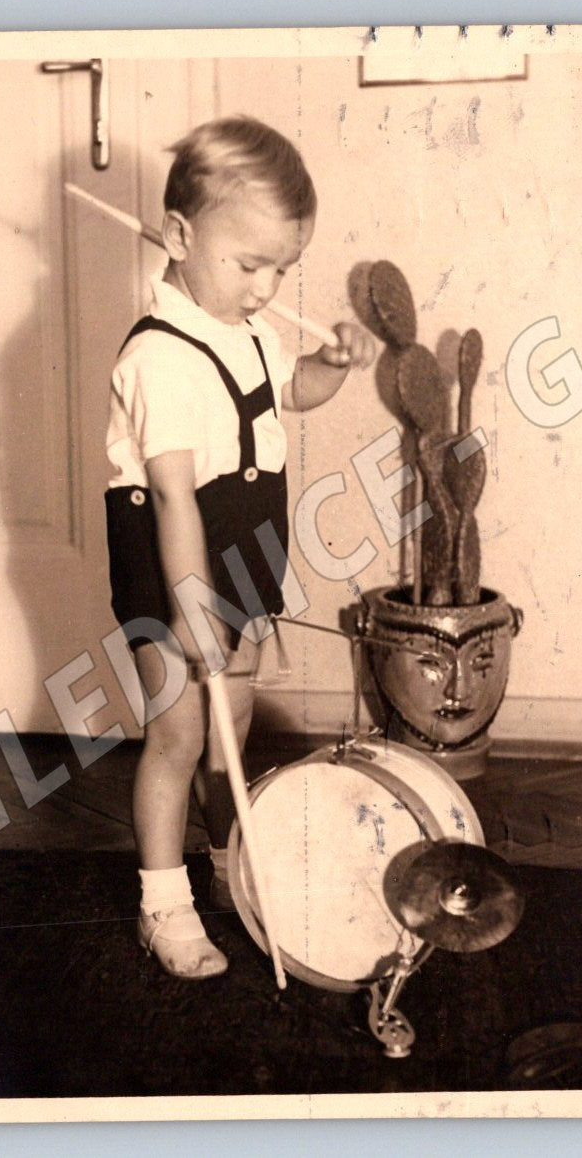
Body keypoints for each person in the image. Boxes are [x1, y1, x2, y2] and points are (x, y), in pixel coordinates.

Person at [105, 116, 374, 979]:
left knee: (236, 726)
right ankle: (164, 901)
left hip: (242, 554)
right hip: (173, 561)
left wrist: (330, 369)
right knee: (181, 732)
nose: (265, 288)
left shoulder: (244, 325)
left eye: (281, 269)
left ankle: (231, 867)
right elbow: (175, 495)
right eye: (248, 264)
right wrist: (190, 607)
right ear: (180, 237)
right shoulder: (160, 357)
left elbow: (282, 397)